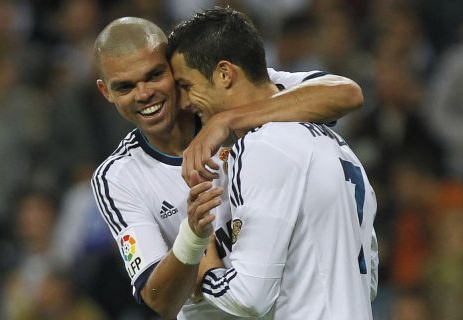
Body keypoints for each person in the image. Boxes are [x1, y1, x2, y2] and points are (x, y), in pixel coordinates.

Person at [92, 16, 365, 319]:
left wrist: (228, 120)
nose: (144, 94)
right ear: (106, 92)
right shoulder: (119, 176)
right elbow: (159, 300)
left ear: (173, 68)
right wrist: (192, 240)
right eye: (126, 87)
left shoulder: (228, 95)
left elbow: (347, 93)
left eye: (155, 75)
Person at [167, 7, 377, 319]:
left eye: (186, 86)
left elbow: (249, 298)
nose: (183, 103)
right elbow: (370, 279)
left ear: (225, 74)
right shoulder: (336, 145)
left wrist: (205, 268)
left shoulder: (260, 147)